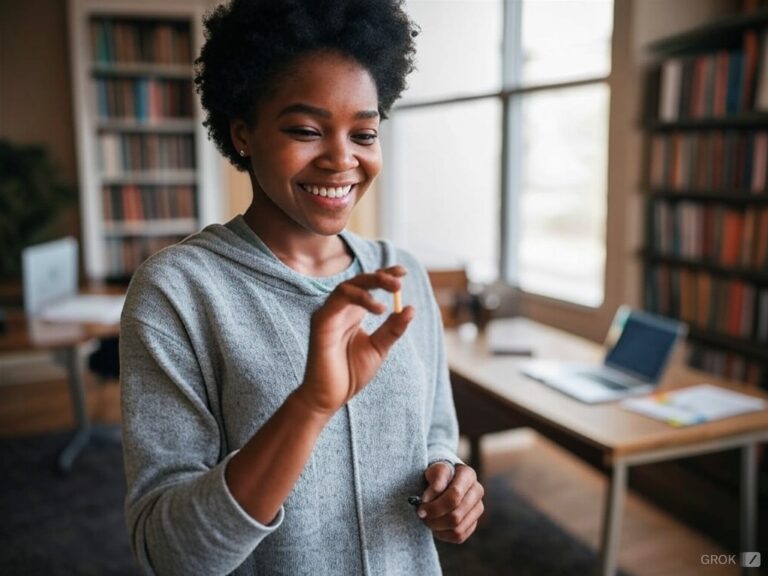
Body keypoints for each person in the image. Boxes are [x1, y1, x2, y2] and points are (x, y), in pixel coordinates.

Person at [119, 0, 484, 574]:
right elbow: (171, 553)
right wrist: (311, 405)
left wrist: (452, 481)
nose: (342, 159)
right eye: (306, 130)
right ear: (243, 133)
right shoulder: (178, 292)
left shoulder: (401, 275)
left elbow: (435, 433)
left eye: (364, 133)